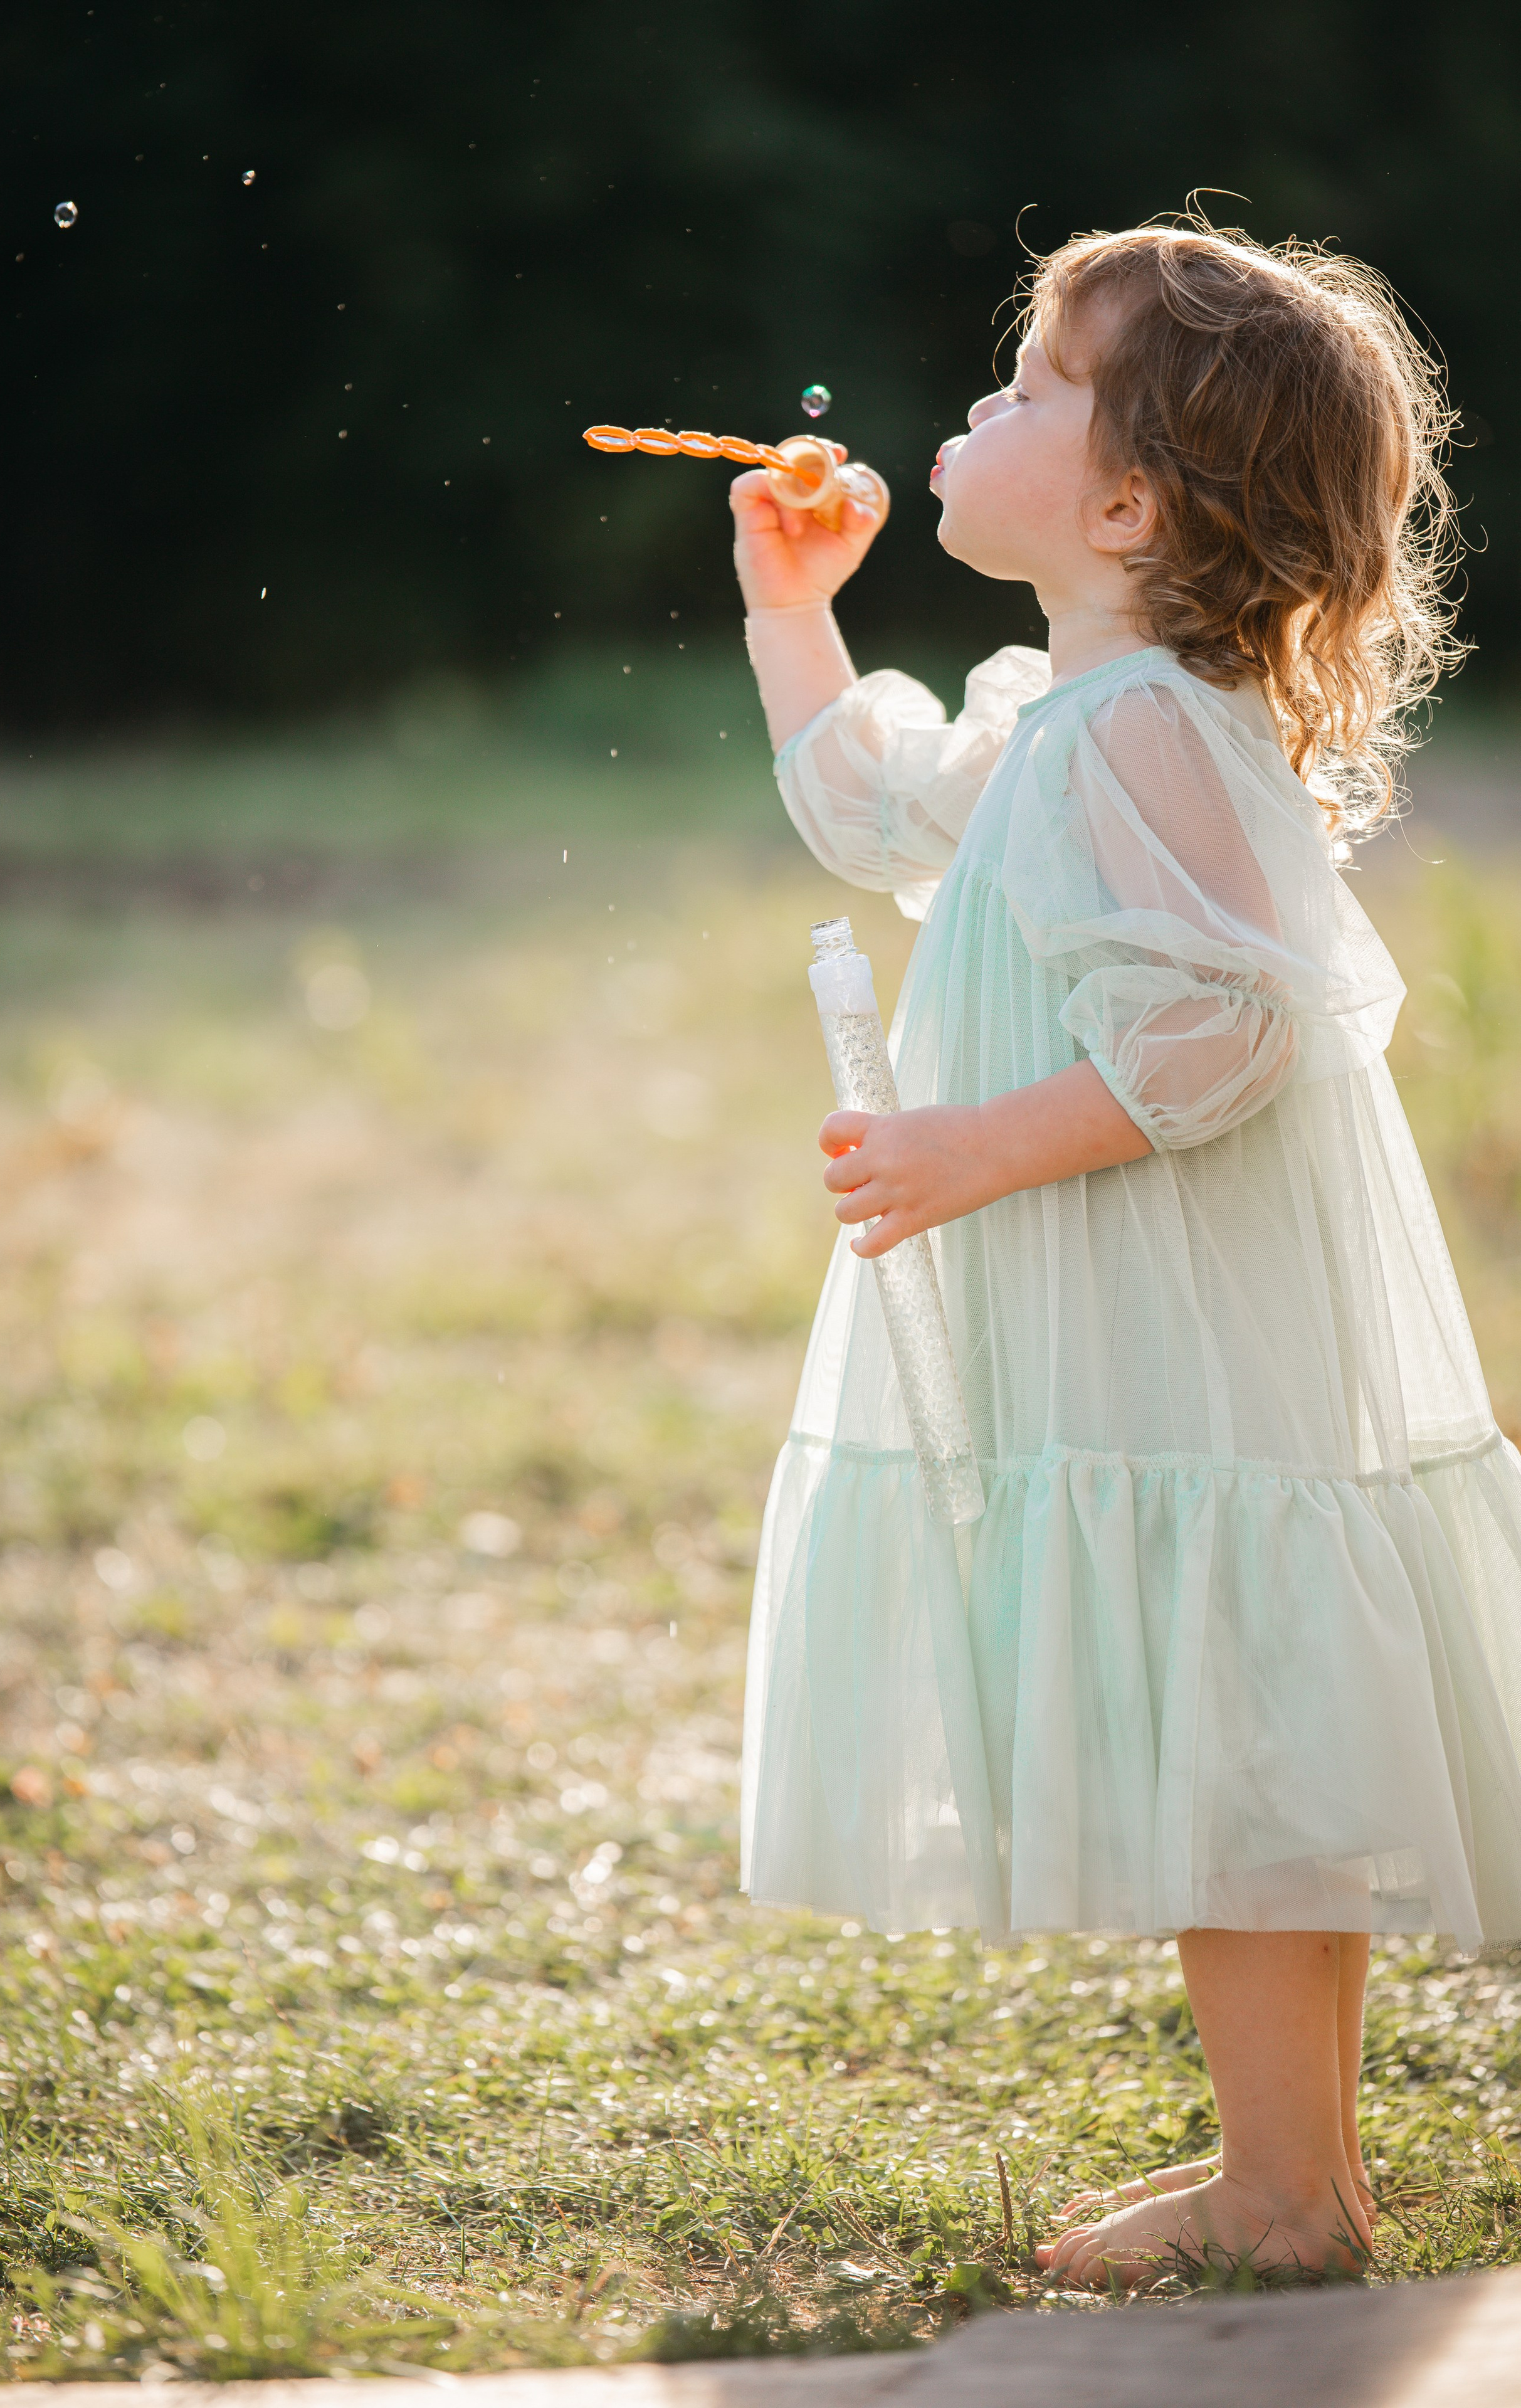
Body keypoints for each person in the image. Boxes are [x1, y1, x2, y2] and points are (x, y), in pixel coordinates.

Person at [731, 218, 1521, 2289]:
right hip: (1169, 1296)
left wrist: (971, 1146)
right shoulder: (1077, 714)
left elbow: (1227, 1029)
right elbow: (888, 814)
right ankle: (1300, 2179)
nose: (973, 407)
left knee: (1241, 1705)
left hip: (1179, 1298)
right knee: (1237, 1697)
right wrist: (793, 614)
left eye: (1025, 388)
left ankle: (1284, 2192)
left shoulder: (1136, 732)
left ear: (1123, 500)